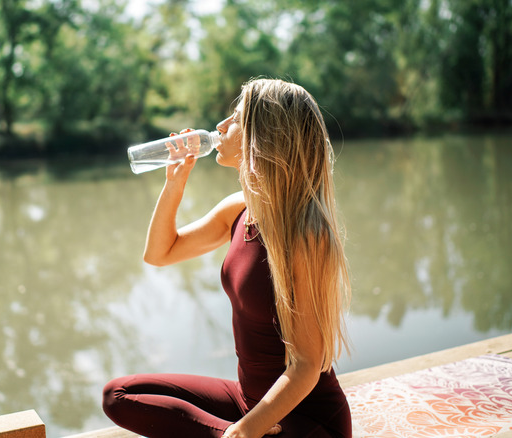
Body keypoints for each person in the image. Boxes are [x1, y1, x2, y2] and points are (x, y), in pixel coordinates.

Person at [103, 78, 352, 438]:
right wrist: (175, 182)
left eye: (234, 119)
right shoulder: (239, 210)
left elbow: (307, 365)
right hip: (247, 401)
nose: (219, 127)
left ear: (263, 137)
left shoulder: (303, 233)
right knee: (120, 395)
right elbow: (160, 253)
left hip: (306, 418)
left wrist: (245, 431)